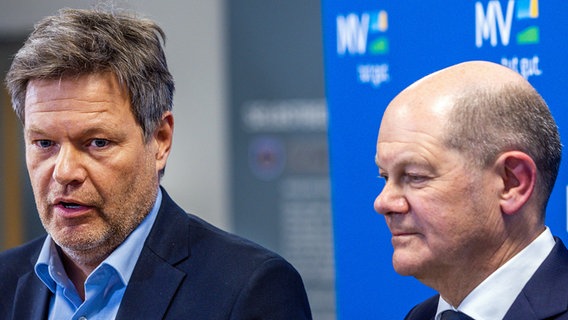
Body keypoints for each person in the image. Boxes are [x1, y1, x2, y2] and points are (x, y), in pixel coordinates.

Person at [0, 8, 312, 319]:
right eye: (44, 143)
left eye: (97, 142)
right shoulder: (5, 281)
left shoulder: (249, 289)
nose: (65, 172)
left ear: (160, 139)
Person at [374, 61, 566, 320]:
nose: (383, 202)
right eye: (385, 177)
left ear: (512, 183)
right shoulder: (420, 316)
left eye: (414, 176)